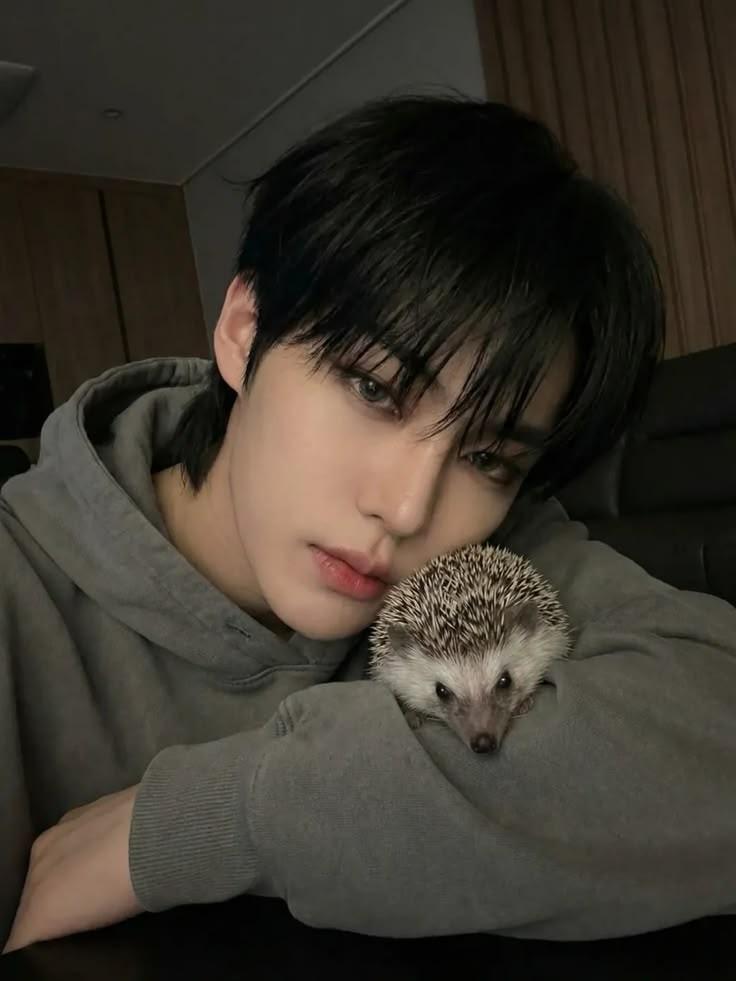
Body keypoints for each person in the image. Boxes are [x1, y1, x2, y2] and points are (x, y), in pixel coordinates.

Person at [2, 93, 735, 953]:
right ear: (243, 332)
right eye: (375, 388)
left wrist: (218, 816)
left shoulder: (490, 558)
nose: (410, 508)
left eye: (488, 457)